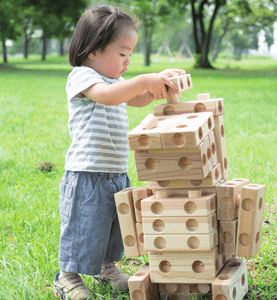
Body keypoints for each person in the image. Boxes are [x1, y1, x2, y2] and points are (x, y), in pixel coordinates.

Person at [54, 4, 186, 300]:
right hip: (87, 172)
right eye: (122, 53)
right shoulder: (83, 77)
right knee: (84, 225)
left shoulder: (117, 81)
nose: (127, 61)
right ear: (93, 51)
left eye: (130, 54)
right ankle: (67, 276)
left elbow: (136, 99)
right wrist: (144, 79)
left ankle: (106, 267)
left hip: (115, 170)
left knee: (113, 225)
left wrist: (159, 83)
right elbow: (108, 98)